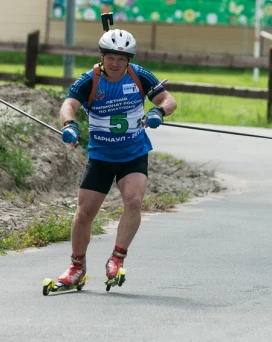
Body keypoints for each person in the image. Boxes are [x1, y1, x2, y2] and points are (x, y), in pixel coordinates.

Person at [56, 29, 177, 290]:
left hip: (133, 153)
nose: (115, 64)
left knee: (134, 200)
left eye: (121, 59)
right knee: (85, 212)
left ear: (129, 60)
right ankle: (77, 266)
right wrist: (69, 125)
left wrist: (158, 111)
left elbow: (169, 99)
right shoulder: (89, 80)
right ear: (102, 56)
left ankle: (117, 259)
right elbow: (68, 106)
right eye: (110, 57)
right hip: (101, 155)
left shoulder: (139, 75)